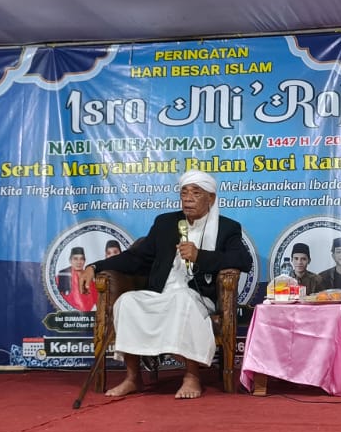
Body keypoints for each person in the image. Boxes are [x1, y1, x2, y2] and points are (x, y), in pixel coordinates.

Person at [85, 169, 252, 399]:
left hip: (197, 296)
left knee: (182, 299)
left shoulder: (227, 228)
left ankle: (192, 376)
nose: (188, 198)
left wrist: (200, 256)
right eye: (184, 193)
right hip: (161, 292)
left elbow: (243, 260)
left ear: (211, 198)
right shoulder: (165, 223)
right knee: (127, 301)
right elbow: (136, 257)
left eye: (196, 193)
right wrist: (95, 266)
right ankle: (133, 378)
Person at [55, 247, 98, 312]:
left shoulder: (89, 277)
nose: (79, 262)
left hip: (87, 314)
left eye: (81, 259)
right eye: (75, 259)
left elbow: (96, 299)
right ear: (70, 260)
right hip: (65, 314)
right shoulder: (61, 276)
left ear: (84, 261)